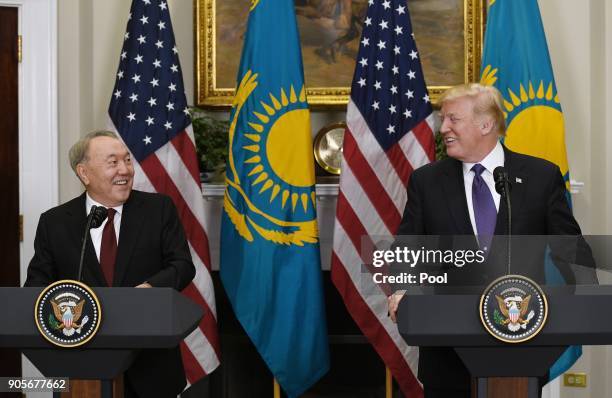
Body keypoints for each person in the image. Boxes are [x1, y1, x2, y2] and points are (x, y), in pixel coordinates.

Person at [387, 83, 596, 398]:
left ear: (485, 124)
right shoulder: (427, 181)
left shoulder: (540, 176)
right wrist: (402, 287)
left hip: (520, 344)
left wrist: (584, 300)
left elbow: (571, 250)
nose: (443, 129)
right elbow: (407, 247)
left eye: (452, 119)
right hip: (447, 356)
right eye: (443, 120)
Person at [25, 130, 195, 398]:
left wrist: (151, 288)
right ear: (84, 173)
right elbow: (37, 284)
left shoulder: (159, 209)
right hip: (82, 369)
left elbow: (183, 265)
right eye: (113, 162)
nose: (125, 170)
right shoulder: (55, 222)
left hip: (150, 365)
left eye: (127, 160)